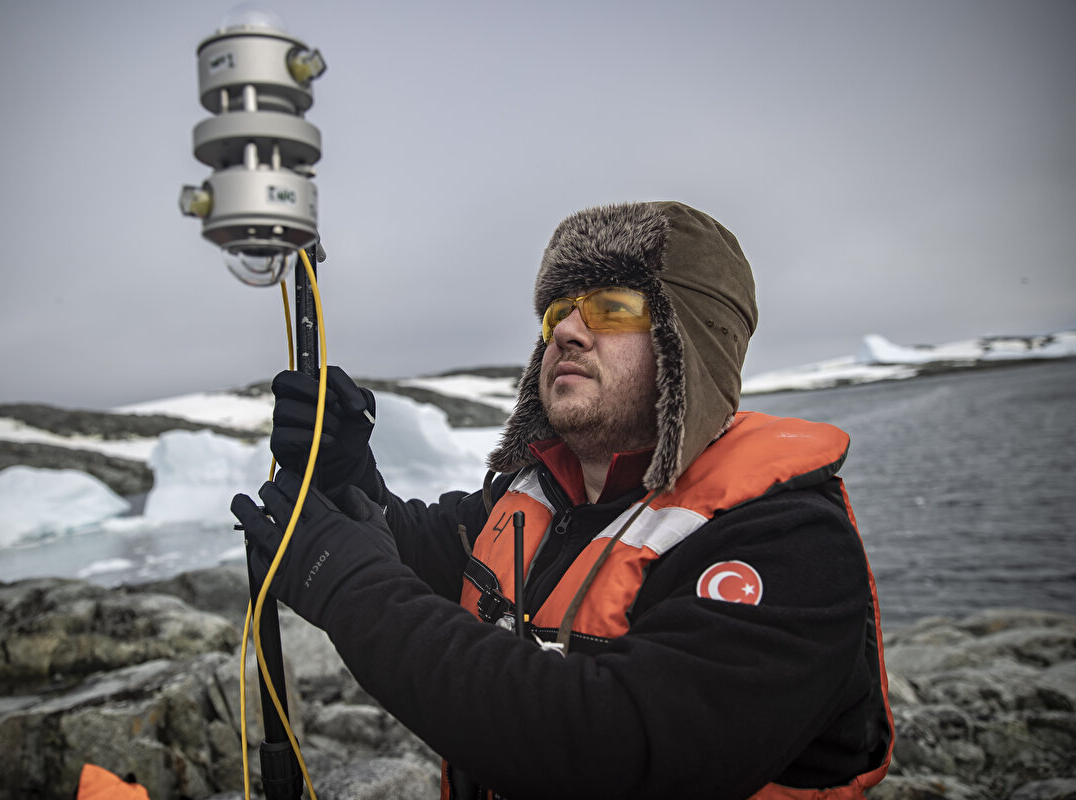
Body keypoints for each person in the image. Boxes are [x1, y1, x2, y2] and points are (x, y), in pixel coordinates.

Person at [232, 201, 894, 799]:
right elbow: (404, 548)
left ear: (689, 343)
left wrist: (351, 593)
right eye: (557, 313)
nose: (566, 332)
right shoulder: (535, 499)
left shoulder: (789, 541)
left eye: (610, 307)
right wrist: (348, 475)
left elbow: (618, 748)